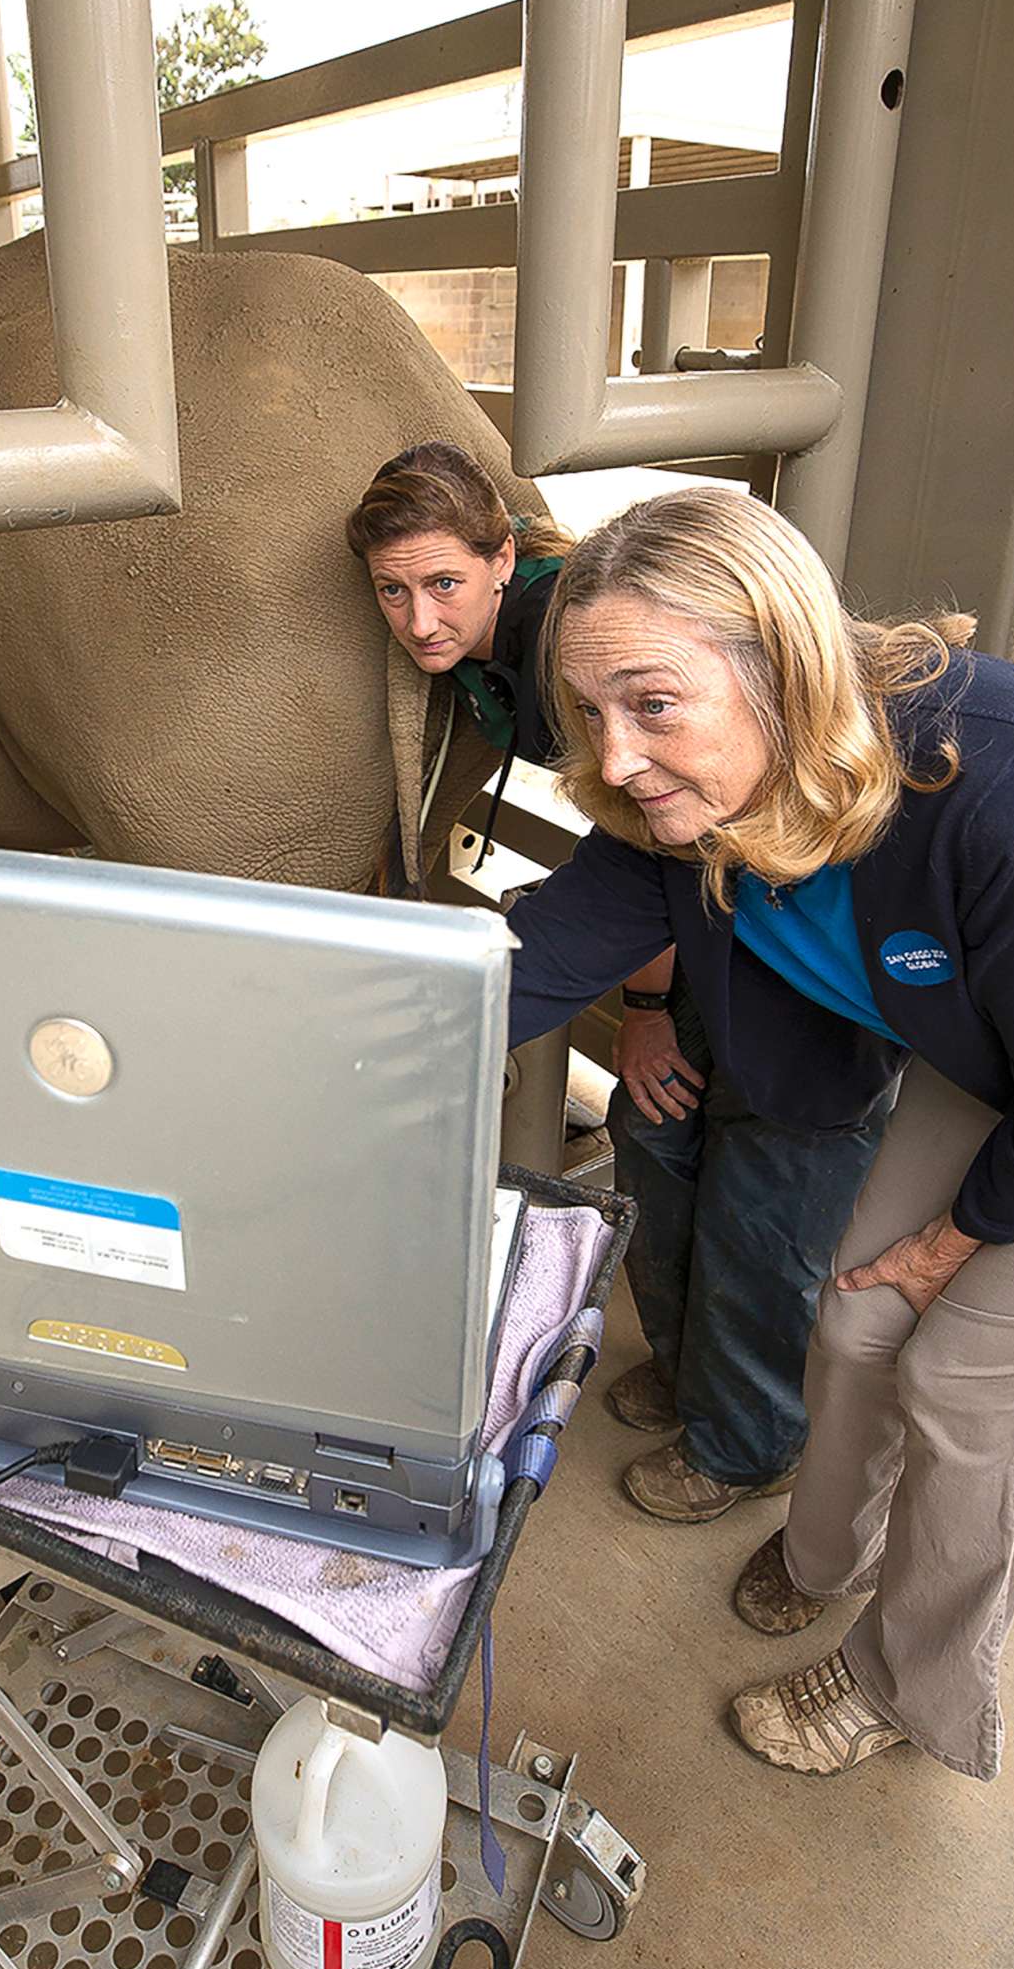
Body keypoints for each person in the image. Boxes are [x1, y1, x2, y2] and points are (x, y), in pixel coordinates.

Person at [504, 482, 1014, 1783]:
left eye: (653, 703)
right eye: (590, 713)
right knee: (853, 1313)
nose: (614, 758)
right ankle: (834, 1555)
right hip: (1010, 1038)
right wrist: (342, 1056)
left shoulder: (1011, 790)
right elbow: (529, 963)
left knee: (962, 1389)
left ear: (781, 667)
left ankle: (905, 1685)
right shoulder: (682, 796)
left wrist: (959, 1242)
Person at [345, 444, 890, 1521]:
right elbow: (642, 854)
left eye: (443, 583)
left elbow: (655, 831)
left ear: (505, 558)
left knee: (761, 1208)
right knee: (658, 1149)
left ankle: (747, 1444)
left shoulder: (568, 646)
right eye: (392, 593)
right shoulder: (511, 652)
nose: (418, 623)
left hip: (779, 952)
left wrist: (645, 1012)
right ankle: (697, 1379)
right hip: (697, 914)